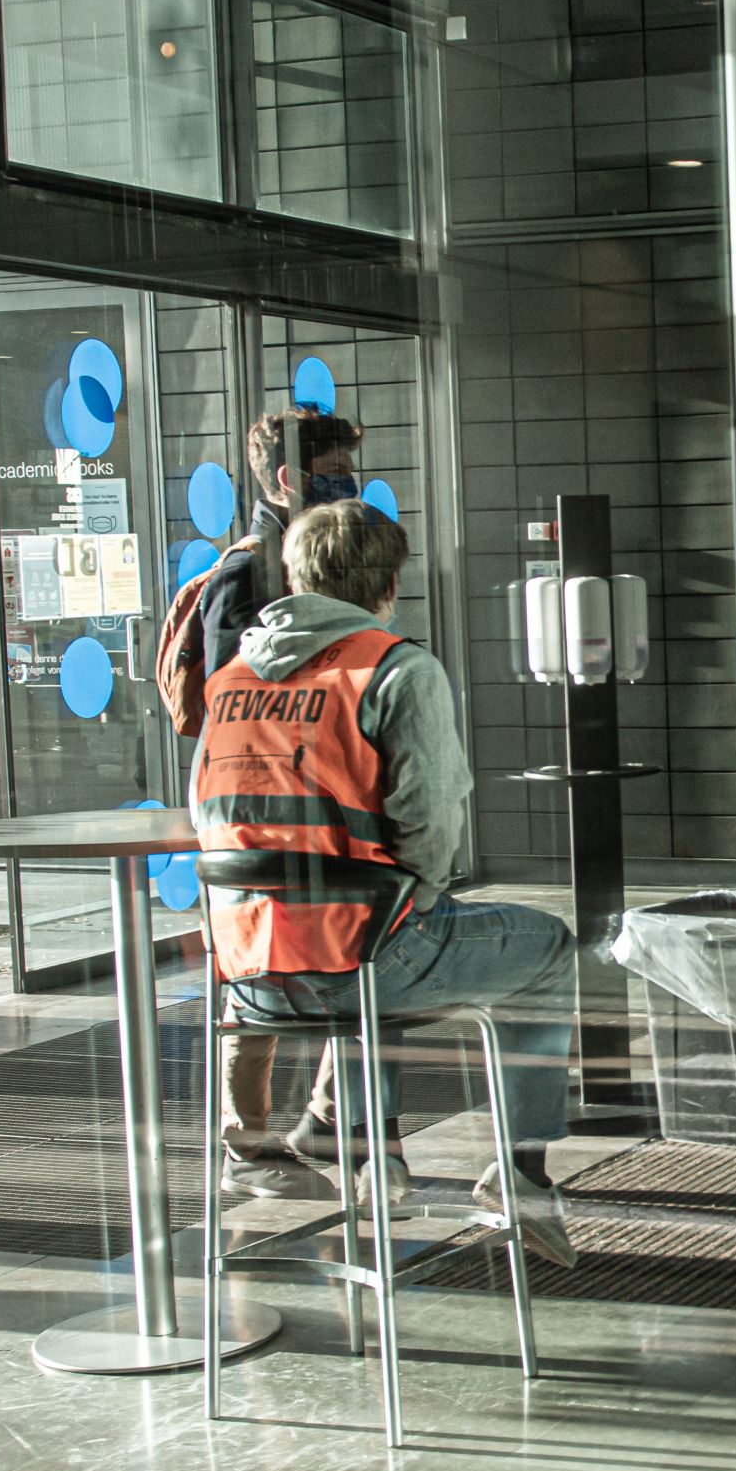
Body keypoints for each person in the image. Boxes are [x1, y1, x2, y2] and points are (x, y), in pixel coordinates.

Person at [194, 503, 581, 1266]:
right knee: (540, 949)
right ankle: (520, 1173)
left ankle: (376, 1143)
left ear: (297, 576)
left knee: (388, 934)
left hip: (250, 981)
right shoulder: (396, 667)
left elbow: (205, 814)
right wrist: (411, 892)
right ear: (392, 582)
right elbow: (430, 825)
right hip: (360, 961)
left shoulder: (228, 683)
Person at [206, 407, 366, 1199]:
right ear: (286, 480)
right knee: (254, 969)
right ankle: (249, 1139)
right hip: (258, 808)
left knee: (349, 945)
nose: (349, 488)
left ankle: (329, 1116)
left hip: (323, 796)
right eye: (334, 474)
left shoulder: (328, 553)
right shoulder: (249, 567)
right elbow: (226, 700)